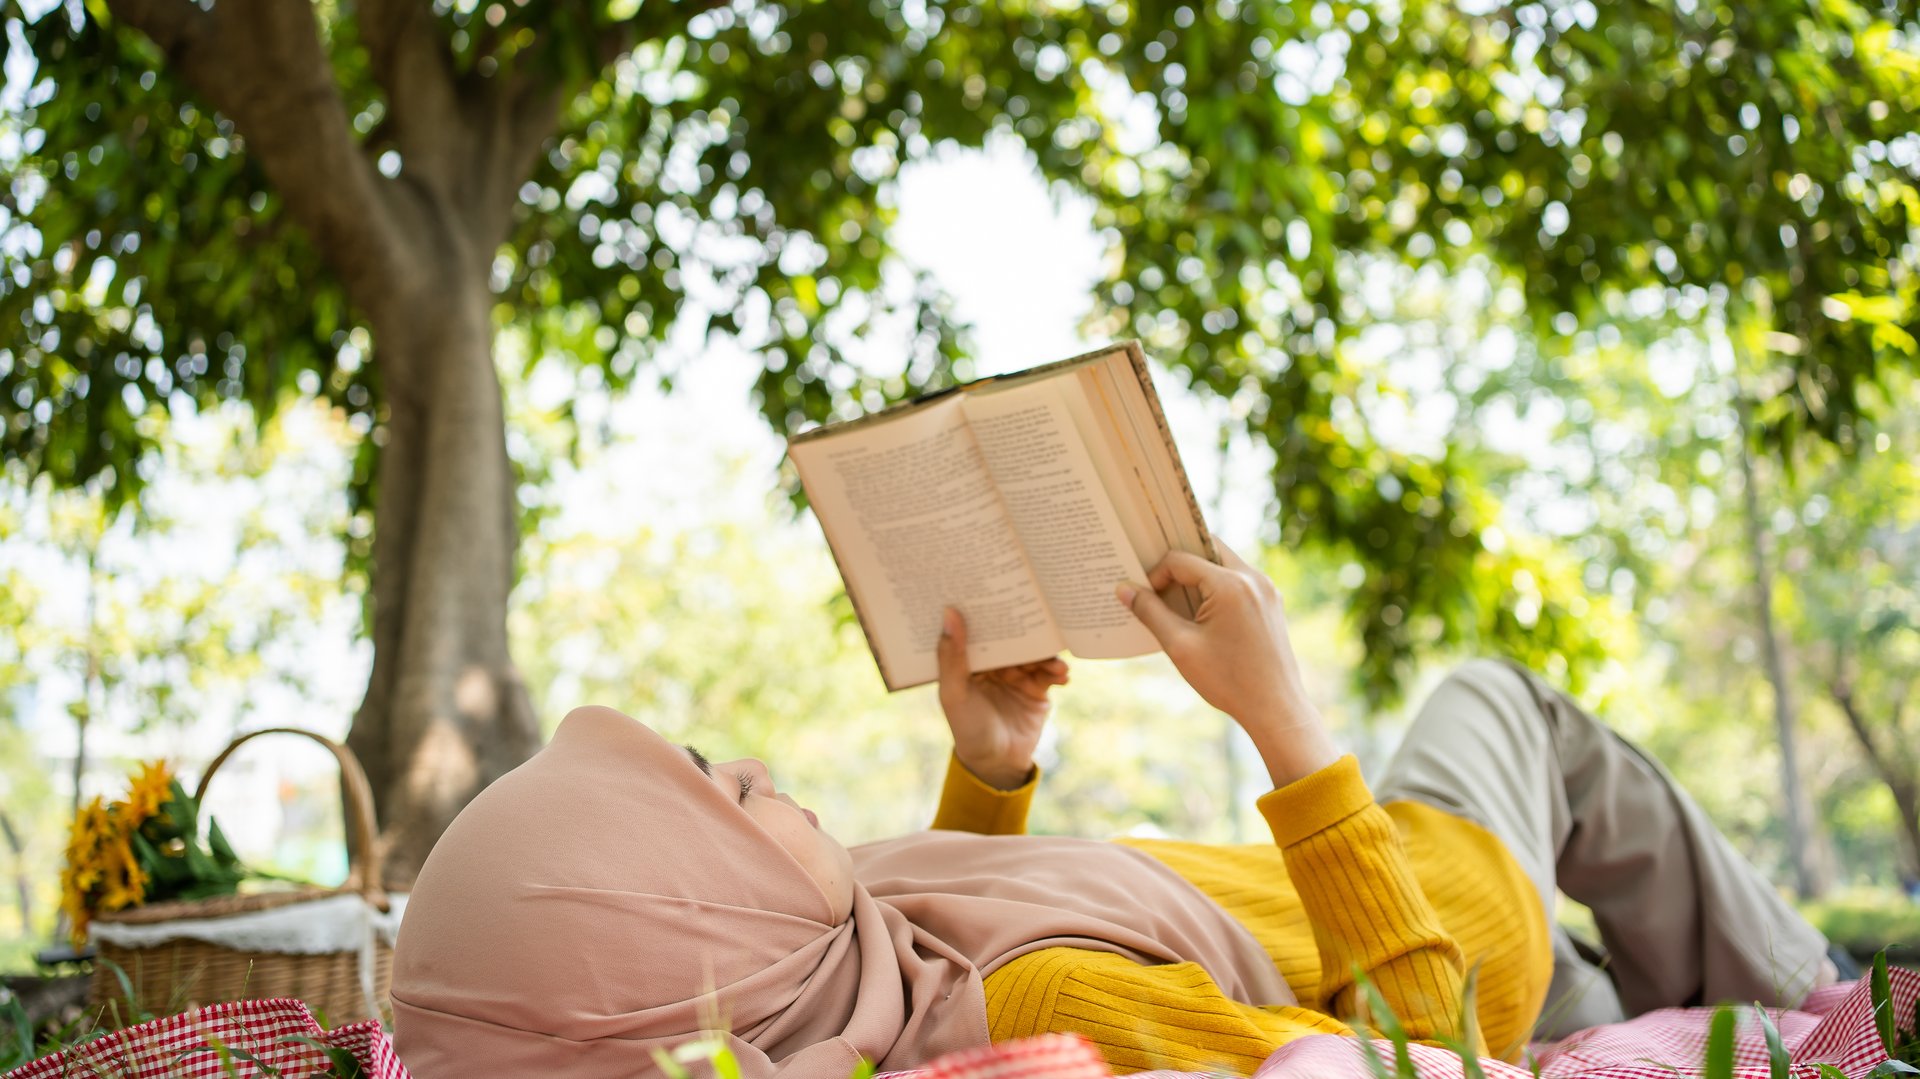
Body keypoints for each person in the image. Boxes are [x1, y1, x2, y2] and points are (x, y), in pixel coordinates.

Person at [390, 542, 1837, 1079]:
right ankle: (1825, 1006)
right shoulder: (1049, 1014)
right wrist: (1279, 720)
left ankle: (1652, 995)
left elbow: (944, 935)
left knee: (1590, 968)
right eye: (711, 802)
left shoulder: (827, 994)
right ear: (686, 927)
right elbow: (1410, 1061)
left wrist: (995, 768)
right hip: (1444, 923)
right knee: (1508, 701)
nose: (755, 772)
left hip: (1326, 925)